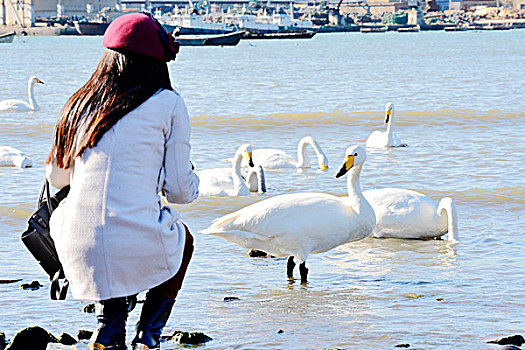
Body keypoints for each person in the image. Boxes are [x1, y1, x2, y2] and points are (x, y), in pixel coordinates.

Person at [45, 12, 199, 350]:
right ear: (159, 63)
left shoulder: (78, 103)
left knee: (111, 235)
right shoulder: (169, 104)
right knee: (180, 239)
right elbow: (181, 192)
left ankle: (108, 330)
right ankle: (149, 334)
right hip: (131, 242)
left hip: (75, 244)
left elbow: (57, 178)